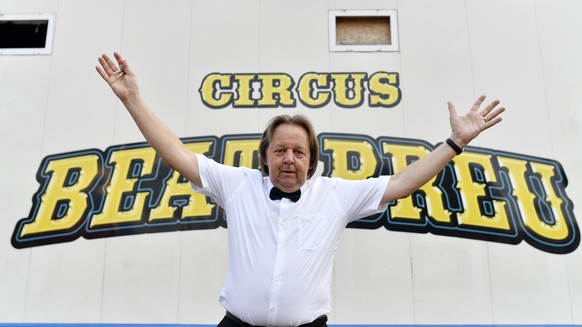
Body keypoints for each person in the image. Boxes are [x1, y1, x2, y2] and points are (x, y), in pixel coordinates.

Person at [96, 52, 505, 327]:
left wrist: (455, 144)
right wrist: (132, 99)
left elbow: (401, 183)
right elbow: (176, 154)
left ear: (311, 159)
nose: (289, 158)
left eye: (298, 151)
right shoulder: (237, 186)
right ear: (266, 157)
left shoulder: (336, 195)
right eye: (280, 150)